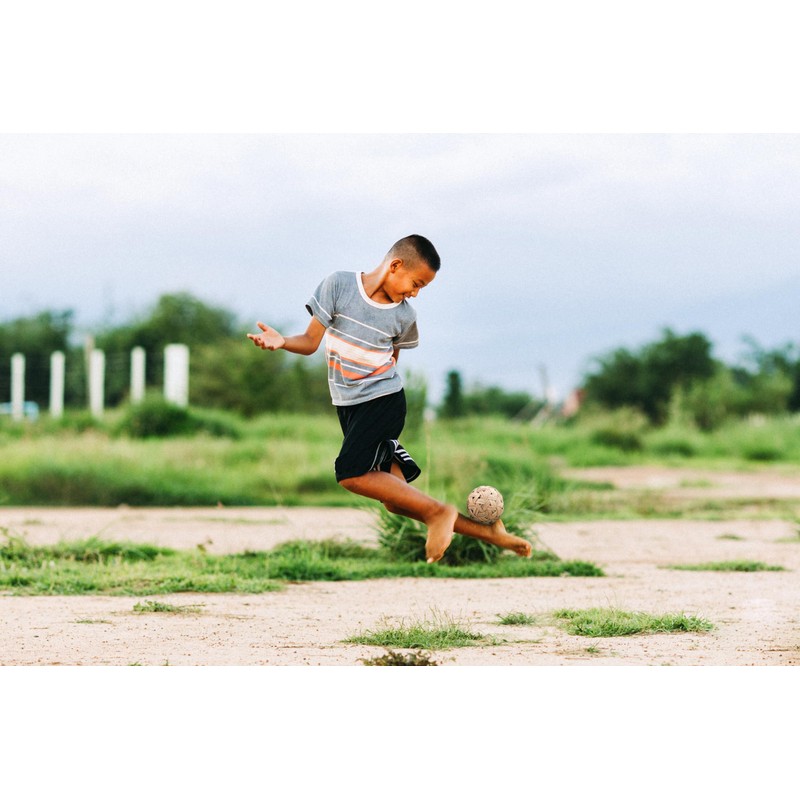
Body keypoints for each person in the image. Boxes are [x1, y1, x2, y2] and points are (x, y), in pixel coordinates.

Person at [248, 234, 532, 564]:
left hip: (383, 401)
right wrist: (281, 341)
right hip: (349, 407)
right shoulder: (338, 286)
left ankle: (440, 514)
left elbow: (390, 361)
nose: (415, 292)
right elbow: (311, 343)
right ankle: (490, 533)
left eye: (422, 287)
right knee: (397, 501)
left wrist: (372, 395)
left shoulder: (405, 317)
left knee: (350, 472)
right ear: (395, 266)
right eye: (416, 283)